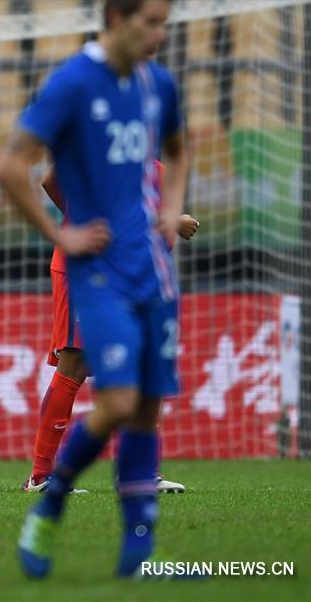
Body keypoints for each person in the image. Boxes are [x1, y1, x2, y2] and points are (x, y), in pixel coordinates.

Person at [0, 0, 189, 577]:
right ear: (115, 15)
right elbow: (12, 166)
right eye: (149, 22)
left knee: (147, 406)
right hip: (96, 268)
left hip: (153, 268)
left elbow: (179, 151)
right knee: (115, 395)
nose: (158, 35)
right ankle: (50, 493)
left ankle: (138, 553)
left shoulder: (160, 84)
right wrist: (62, 230)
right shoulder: (74, 83)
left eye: (165, 23)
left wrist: (166, 210)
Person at [27, 162, 198, 495]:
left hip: (129, 274)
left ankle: (140, 472)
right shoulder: (97, 147)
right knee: (75, 363)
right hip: (83, 269)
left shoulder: (157, 168)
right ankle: (41, 475)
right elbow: (50, 178)